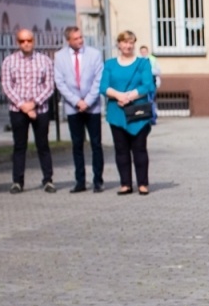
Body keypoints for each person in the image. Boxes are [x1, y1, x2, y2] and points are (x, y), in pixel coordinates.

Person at [0, 29, 58, 193]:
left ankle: (48, 179)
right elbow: (6, 86)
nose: (26, 44)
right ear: (17, 43)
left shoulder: (45, 60)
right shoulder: (9, 61)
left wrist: (34, 104)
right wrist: (22, 105)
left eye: (29, 40)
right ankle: (17, 181)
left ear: (34, 41)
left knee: (43, 145)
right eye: (22, 41)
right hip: (17, 109)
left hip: (40, 109)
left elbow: (49, 86)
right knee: (20, 145)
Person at [100, 31, 156, 195]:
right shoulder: (110, 64)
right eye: (124, 42)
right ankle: (125, 184)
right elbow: (103, 87)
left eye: (131, 43)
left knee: (139, 149)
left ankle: (143, 184)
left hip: (137, 112)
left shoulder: (143, 63)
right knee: (121, 149)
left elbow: (148, 85)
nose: (128, 46)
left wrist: (129, 96)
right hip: (116, 112)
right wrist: (119, 96)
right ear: (119, 44)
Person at [54, 26, 105, 192]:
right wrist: (76, 101)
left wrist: (88, 101)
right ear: (68, 40)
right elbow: (60, 82)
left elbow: (99, 79)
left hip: (92, 106)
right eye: (76, 38)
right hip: (73, 107)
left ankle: (98, 180)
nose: (80, 41)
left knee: (96, 143)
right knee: (77, 144)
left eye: (81, 37)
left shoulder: (94, 54)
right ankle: (80, 181)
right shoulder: (59, 56)